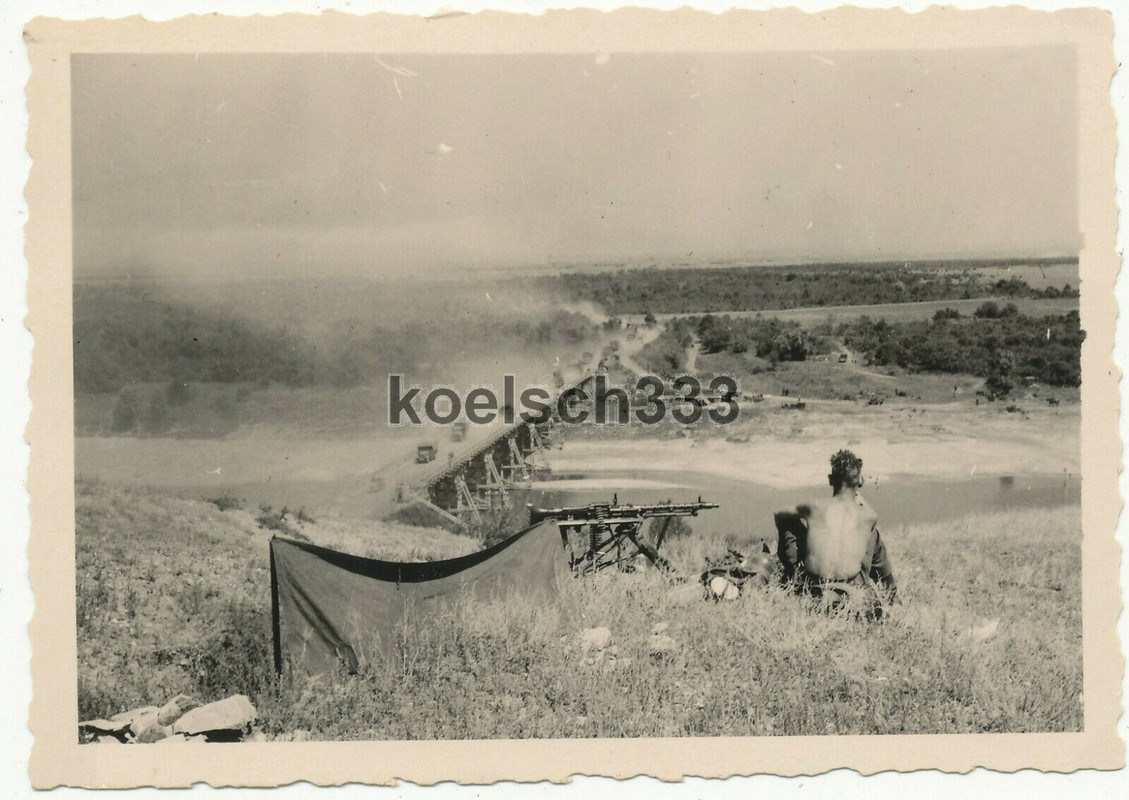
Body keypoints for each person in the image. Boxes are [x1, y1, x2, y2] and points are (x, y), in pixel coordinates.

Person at [774, 449, 897, 616]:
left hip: (814, 588)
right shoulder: (868, 516)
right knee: (871, 534)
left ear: (830, 480)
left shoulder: (814, 506)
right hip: (852, 590)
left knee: (790, 521)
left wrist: (801, 545)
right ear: (859, 482)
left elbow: (779, 514)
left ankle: (792, 575)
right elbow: (869, 516)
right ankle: (892, 593)